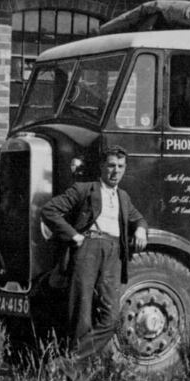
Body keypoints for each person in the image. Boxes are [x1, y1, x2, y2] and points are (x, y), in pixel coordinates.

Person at [41, 145, 148, 365]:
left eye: (120, 166)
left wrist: (140, 229)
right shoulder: (84, 189)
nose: (115, 171)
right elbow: (49, 210)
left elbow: (138, 218)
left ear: (125, 169)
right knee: (81, 314)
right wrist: (74, 236)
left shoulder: (123, 197)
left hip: (114, 253)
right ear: (101, 167)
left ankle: (70, 363)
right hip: (88, 249)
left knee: (111, 318)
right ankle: (76, 378)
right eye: (110, 166)